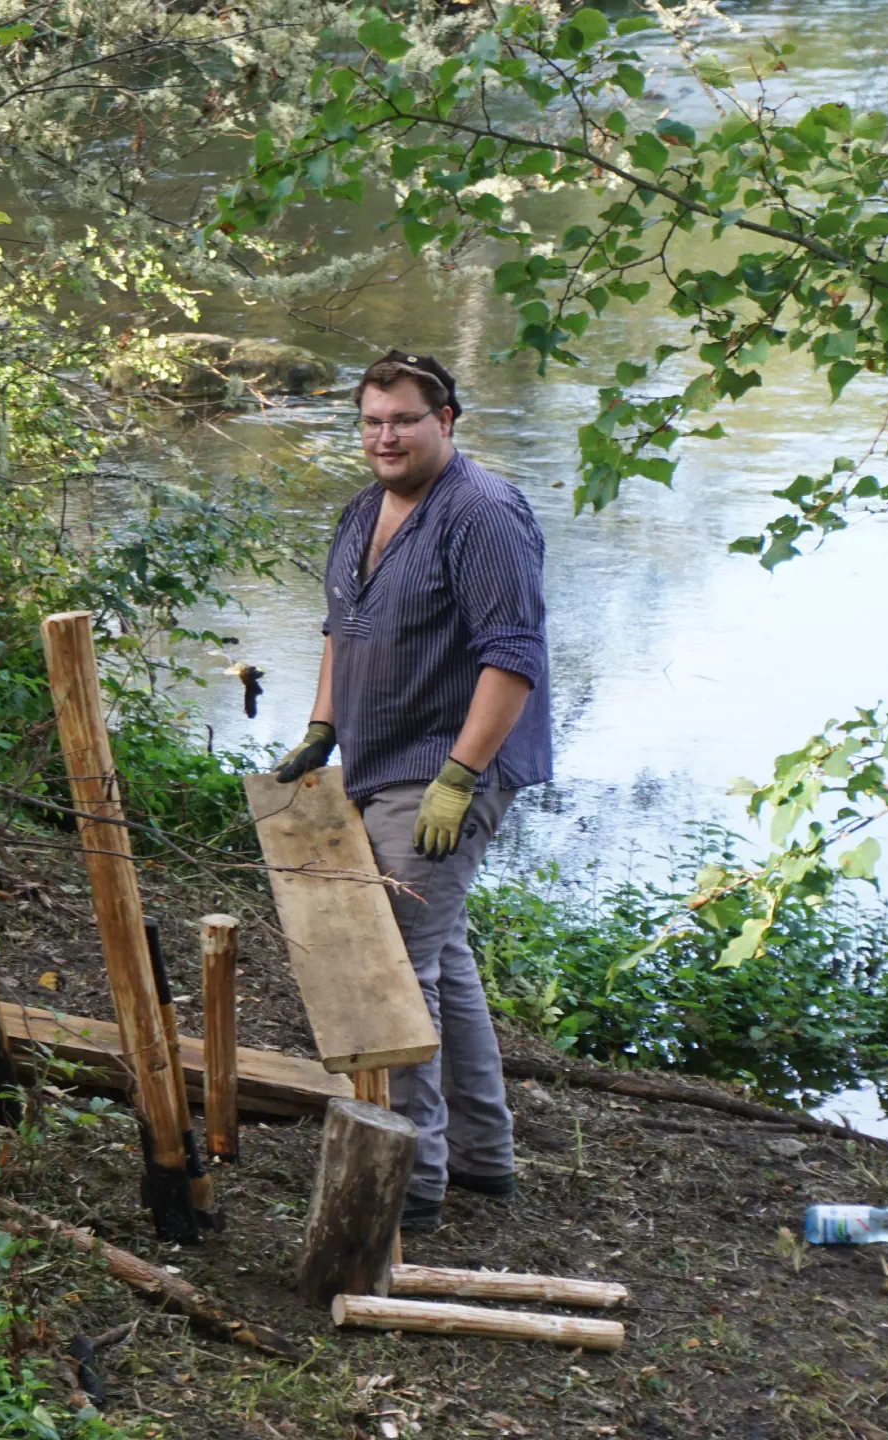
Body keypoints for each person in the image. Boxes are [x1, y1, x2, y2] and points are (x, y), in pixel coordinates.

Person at [274, 350, 552, 1230]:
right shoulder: (363, 510)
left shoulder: (483, 515)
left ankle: (414, 1179)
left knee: (396, 967)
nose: (386, 435)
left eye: (403, 419)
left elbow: (515, 658)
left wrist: (460, 779)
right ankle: (480, 1157)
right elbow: (338, 627)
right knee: (441, 957)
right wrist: (323, 727)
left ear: (447, 420)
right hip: (378, 761)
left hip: (445, 771)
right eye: (371, 420)